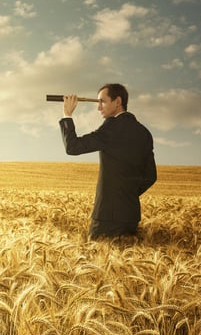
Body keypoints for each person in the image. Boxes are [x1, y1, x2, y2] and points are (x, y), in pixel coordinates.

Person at [59, 83, 156, 240]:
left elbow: (73, 147)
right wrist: (126, 194)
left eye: (102, 102)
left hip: (107, 216)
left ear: (118, 102)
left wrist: (67, 114)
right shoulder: (144, 132)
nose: (98, 108)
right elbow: (151, 176)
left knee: (95, 257)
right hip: (131, 215)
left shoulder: (112, 127)